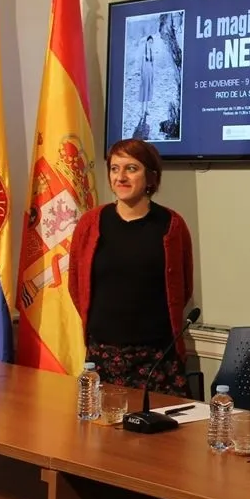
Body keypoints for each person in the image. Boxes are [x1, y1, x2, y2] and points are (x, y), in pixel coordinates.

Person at [69, 138, 194, 396]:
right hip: (102, 354)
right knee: (102, 433)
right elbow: (76, 284)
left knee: (162, 434)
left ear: (151, 177)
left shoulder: (172, 225)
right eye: (115, 169)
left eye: (131, 168)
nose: (121, 177)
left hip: (158, 356)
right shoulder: (91, 223)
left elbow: (183, 287)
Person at [139, 35, 154, 119]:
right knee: (143, 91)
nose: (150, 43)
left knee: (148, 90)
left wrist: (152, 74)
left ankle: (146, 109)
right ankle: (141, 110)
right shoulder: (143, 51)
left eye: (151, 42)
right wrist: (141, 75)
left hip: (150, 72)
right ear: (147, 42)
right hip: (144, 72)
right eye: (149, 42)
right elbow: (141, 64)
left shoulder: (151, 51)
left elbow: (152, 63)